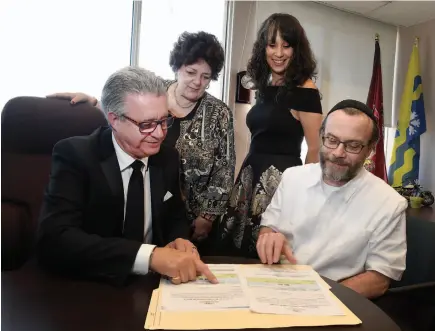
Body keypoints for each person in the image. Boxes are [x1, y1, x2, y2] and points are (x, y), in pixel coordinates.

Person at [47, 31, 235, 247]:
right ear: (177, 67)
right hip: (143, 205)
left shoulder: (217, 114)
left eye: (206, 77)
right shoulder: (153, 92)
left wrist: (207, 217)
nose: (197, 82)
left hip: (186, 215)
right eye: (191, 72)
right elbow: (123, 109)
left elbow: (224, 169)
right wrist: (93, 102)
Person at [38, 66, 218, 286]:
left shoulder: (167, 157)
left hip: (154, 287)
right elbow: (56, 240)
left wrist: (178, 240)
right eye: (147, 125)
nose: (160, 134)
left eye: (164, 121)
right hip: (93, 286)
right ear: (114, 120)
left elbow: (174, 217)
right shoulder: (76, 156)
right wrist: (149, 256)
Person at [256, 99, 408, 299]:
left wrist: (318, 297)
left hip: (338, 298)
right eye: (332, 140)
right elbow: (269, 227)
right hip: (277, 287)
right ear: (322, 137)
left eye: (353, 145)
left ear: (370, 149)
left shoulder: (389, 203)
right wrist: (268, 237)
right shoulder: (292, 177)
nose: (338, 153)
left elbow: (379, 278)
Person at [214, 13, 323, 257]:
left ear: (297, 50)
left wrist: (304, 197)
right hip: (249, 175)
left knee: (264, 254)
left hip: (281, 182)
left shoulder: (305, 90)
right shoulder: (266, 85)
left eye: (286, 46)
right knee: (231, 254)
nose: (279, 53)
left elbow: (315, 148)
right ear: (263, 47)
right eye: (272, 45)